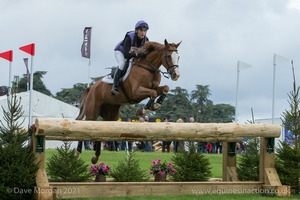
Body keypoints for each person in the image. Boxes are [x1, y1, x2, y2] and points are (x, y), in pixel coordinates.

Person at [111, 20, 149, 95]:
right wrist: (138, 55)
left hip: (131, 54)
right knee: (122, 64)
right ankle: (114, 85)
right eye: (141, 30)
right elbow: (126, 55)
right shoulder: (130, 37)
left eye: (145, 31)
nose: (143, 33)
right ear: (136, 30)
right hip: (120, 52)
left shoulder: (146, 40)